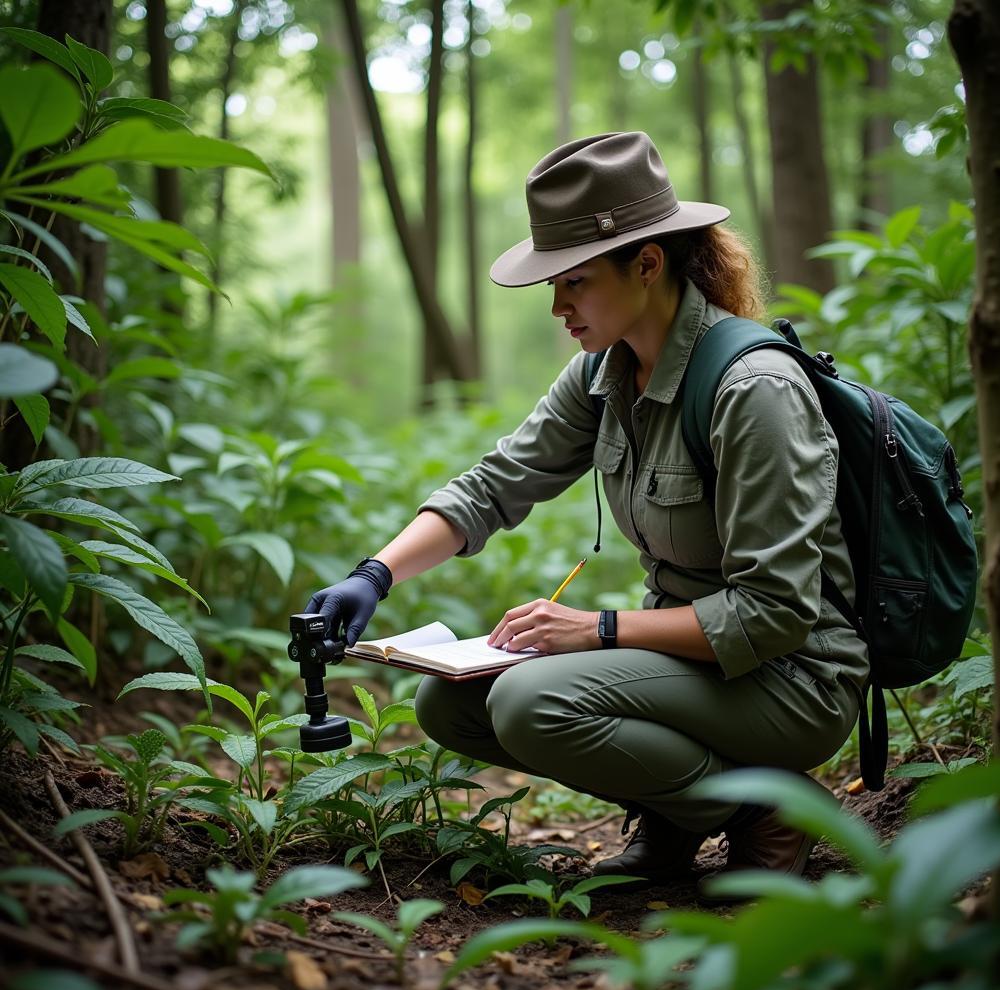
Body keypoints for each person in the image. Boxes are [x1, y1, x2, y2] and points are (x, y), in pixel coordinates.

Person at [306, 132, 868, 890]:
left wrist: (593, 630)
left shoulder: (753, 389)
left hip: (790, 678)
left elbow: (773, 614)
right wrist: (373, 576)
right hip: (686, 658)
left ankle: (763, 809)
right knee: (450, 701)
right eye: (552, 284)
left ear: (647, 263)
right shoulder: (603, 373)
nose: (557, 306)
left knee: (533, 703)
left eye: (574, 280)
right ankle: (687, 808)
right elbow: (496, 484)